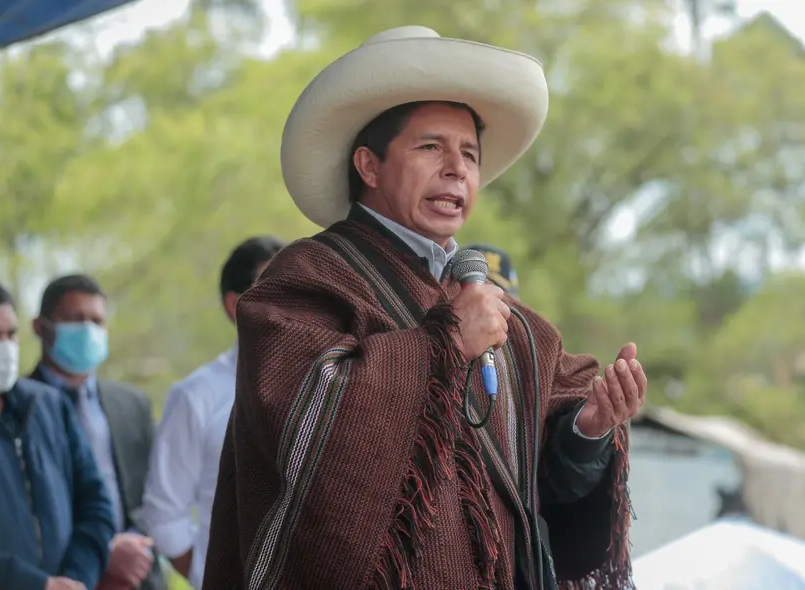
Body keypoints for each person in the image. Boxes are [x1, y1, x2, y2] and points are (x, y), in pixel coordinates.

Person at [204, 26, 645, 590]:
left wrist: (588, 428)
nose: (457, 168)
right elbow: (308, 438)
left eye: (470, 154)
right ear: (368, 166)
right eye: (431, 147)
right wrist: (447, 343)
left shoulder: (512, 323)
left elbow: (546, 491)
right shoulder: (304, 279)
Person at [140, 236, 285, 590]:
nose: (291, 302)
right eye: (274, 288)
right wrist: (214, 577)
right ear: (235, 305)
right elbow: (164, 515)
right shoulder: (195, 397)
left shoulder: (332, 381)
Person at [28, 274, 164, 590]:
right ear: (40, 327)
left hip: (136, 574)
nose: (87, 330)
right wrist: (102, 550)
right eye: (74, 319)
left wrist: (134, 544)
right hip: (59, 577)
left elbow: (157, 491)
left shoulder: (131, 405)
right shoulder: (16, 406)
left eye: (96, 321)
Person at [0, 274, 115, 590]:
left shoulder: (48, 406)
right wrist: (34, 584)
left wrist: (75, 578)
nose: (5, 346)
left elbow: (95, 505)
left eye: (11, 334)